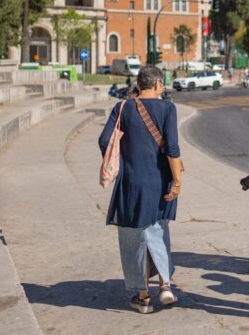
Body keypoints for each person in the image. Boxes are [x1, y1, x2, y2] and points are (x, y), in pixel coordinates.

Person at [98, 66, 184, 314]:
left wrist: (120, 162)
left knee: (132, 238)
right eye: (163, 84)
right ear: (157, 84)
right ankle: (165, 285)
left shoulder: (122, 108)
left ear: (140, 84)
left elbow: (105, 140)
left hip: (130, 182)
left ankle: (142, 296)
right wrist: (176, 181)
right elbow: (172, 148)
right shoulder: (168, 108)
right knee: (158, 230)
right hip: (160, 182)